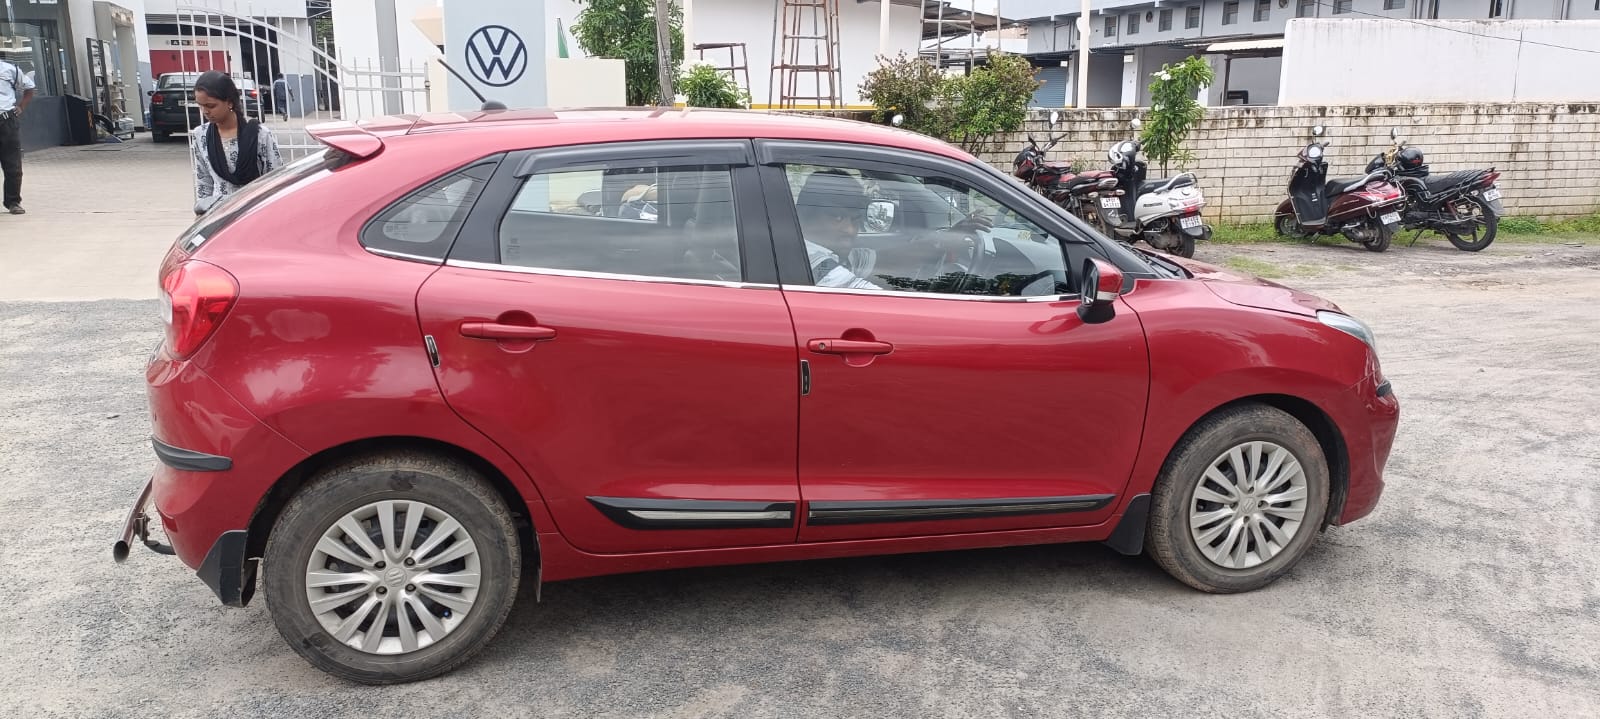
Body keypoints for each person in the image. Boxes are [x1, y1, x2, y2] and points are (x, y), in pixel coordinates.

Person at [793, 168, 990, 291]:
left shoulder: (837, 256)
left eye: (855, 219)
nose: (850, 230)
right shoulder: (814, 262)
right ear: (803, 217)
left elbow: (887, 259)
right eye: (837, 217)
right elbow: (872, 298)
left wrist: (944, 240)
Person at [190, 71, 281, 216]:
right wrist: (203, 218)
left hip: (254, 211)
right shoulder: (200, 135)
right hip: (219, 214)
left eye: (211, 106)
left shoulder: (259, 134)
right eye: (200, 106)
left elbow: (275, 179)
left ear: (230, 102)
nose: (205, 111)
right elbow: (204, 182)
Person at [0, 58, 36, 215]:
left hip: (6, 122)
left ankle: (13, 201)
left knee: (12, 165)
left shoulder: (10, 70)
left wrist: (21, 106)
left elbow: (29, 87)